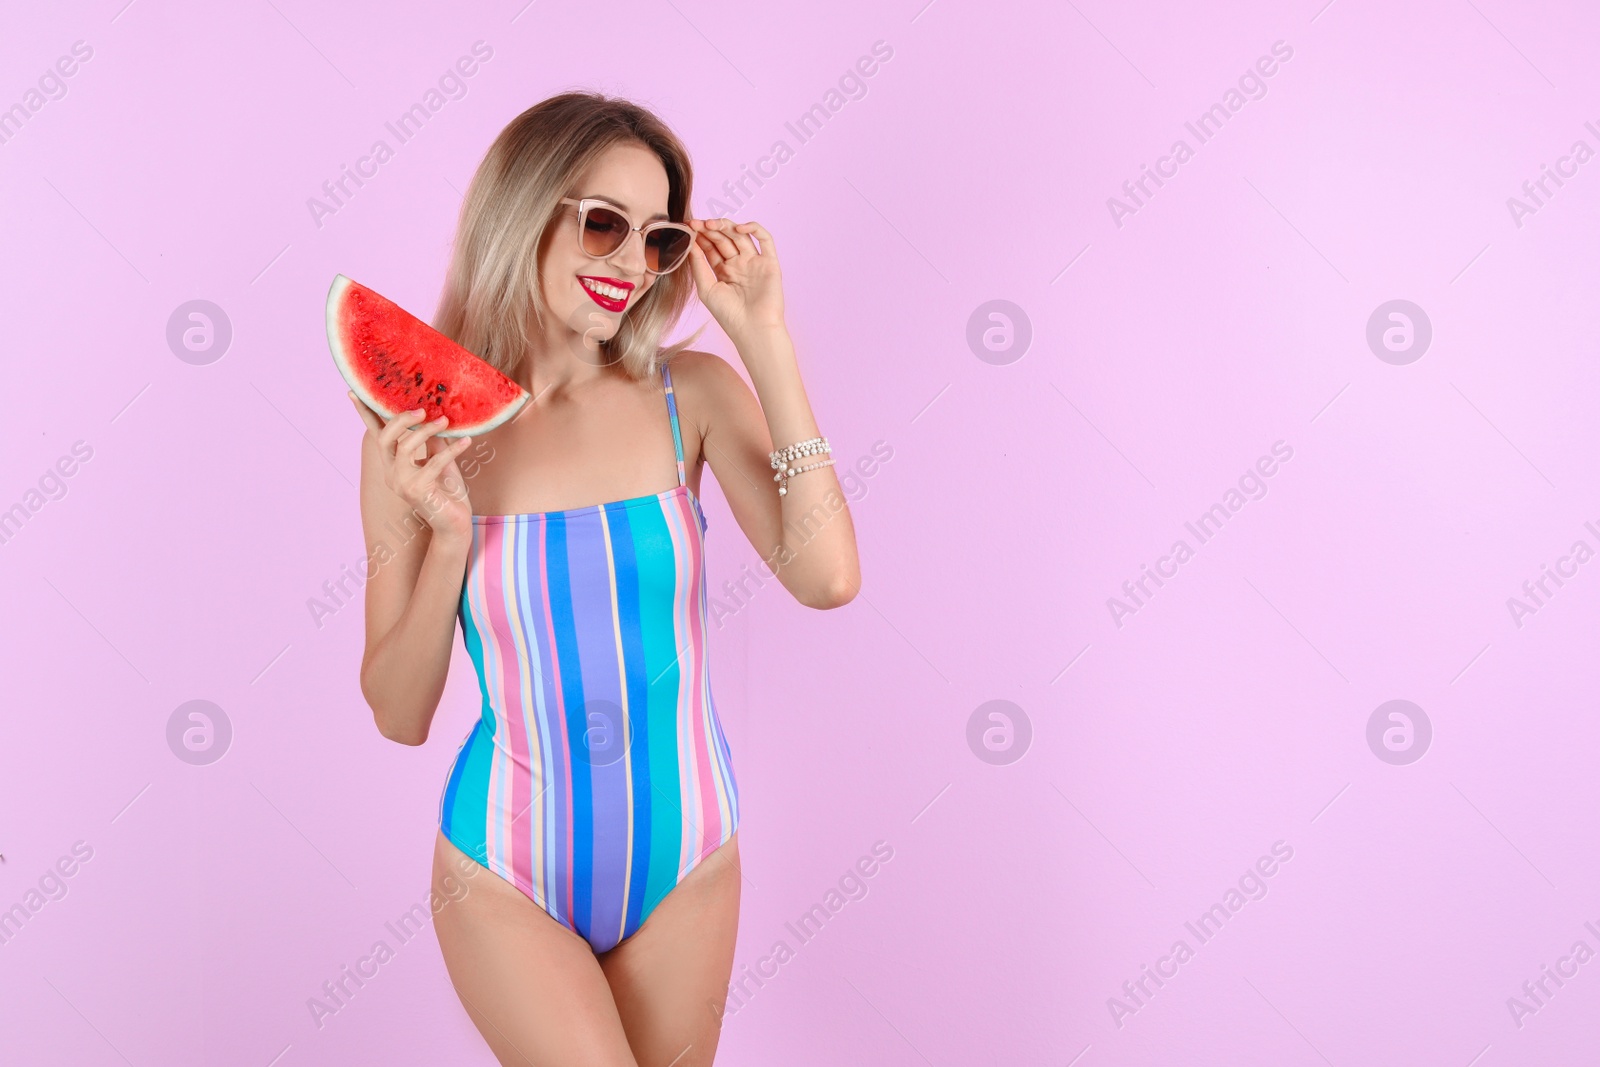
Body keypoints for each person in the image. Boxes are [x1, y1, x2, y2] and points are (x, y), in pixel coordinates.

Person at [347, 91, 861, 1065]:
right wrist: (448, 537)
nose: (630, 261)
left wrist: (765, 341)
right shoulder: (413, 439)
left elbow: (828, 576)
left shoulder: (691, 395)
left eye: (656, 236)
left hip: (690, 856)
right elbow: (397, 710)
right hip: (505, 861)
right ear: (523, 210)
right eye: (601, 222)